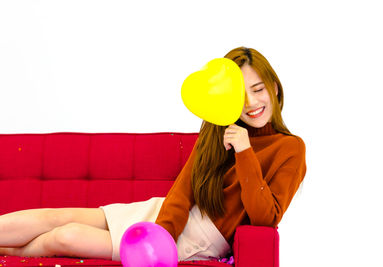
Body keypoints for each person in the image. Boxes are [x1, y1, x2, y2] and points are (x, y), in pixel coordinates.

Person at [0, 46, 306, 261]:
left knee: (64, 237)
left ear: (275, 88)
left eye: (258, 88)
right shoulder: (218, 131)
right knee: (57, 216)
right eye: (239, 95)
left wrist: (245, 152)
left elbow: (265, 217)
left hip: (197, 240)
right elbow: (184, 189)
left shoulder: (290, 148)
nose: (251, 102)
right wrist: (161, 233)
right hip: (167, 219)